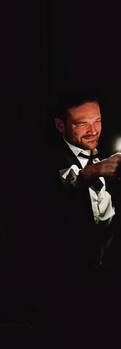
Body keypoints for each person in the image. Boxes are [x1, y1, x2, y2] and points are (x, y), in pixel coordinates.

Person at [51, 94, 121, 273]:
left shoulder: (109, 148)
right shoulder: (47, 157)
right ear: (60, 125)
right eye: (82, 124)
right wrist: (91, 172)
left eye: (98, 121)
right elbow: (62, 184)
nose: (93, 131)